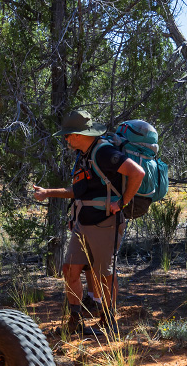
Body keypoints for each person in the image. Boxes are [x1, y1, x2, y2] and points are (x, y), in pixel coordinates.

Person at [33, 109, 144, 335]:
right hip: (83, 222)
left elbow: (137, 173)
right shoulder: (83, 154)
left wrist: (122, 202)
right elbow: (79, 190)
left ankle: (109, 321)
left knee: (105, 273)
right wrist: (48, 193)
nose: (66, 139)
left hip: (105, 223)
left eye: (68, 135)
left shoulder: (104, 152)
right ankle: (75, 319)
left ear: (79, 134)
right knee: (69, 268)